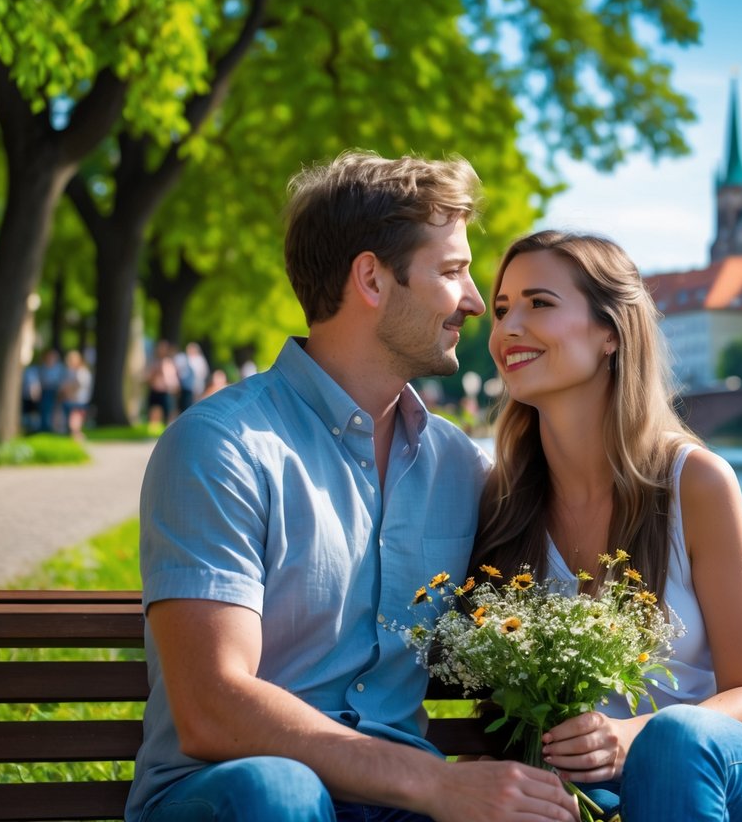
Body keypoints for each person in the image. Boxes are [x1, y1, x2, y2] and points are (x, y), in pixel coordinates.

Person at [127, 152, 579, 822]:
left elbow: (547, 625)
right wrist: (433, 785)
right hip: (232, 796)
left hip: (397, 803)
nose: (475, 302)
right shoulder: (222, 447)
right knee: (281, 792)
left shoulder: (459, 465)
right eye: (451, 271)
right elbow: (211, 708)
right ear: (370, 278)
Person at [471, 231, 742, 821]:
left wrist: (633, 734)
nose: (507, 328)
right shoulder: (505, 501)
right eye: (503, 308)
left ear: (610, 333)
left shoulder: (696, 483)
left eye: (539, 303)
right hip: (611, 795)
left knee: (675, 740)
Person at [144, 340, 181, 426]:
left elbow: (173, 379)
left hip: (165, 391)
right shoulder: (154, 362)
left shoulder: (169, 363)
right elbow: (149, 377)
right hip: (155, 389)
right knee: (152, 410)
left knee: (167, 412)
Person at [60, 349, 92, 439]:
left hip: (78, 398)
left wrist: (70, 391)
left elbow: (78, 385)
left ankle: (76, 434)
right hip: (72, 398)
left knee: (76, 417)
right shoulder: (71, 372)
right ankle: (75, 434)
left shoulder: (81, 372)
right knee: (74, 417)